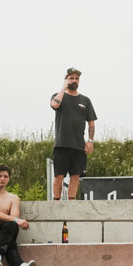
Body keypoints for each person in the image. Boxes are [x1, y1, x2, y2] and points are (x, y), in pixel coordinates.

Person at [49, 67, 97, 199]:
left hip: (79, 145)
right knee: (59, 175)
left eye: (76, 78)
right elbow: (54, 105)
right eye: (71, 78)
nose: (74, 80)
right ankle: (57, 202)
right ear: (66, 80)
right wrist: (63, 88)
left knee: (76, 176)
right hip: (62, 144)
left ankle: (71, 202)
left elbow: (91, 123)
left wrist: (90, 140)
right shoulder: (58, 96)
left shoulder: (85, 100)